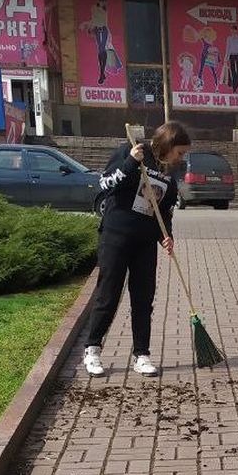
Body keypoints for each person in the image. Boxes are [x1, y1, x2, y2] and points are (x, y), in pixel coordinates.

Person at [83, 121, 191, 377]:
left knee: (143, 299)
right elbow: (106, 185)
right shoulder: (133, 151)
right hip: (116, 237)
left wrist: (167, 236)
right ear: (168, 144)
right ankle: (92, 349)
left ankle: (142, 354)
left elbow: (164, 211)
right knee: (108, 295)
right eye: (180, 152)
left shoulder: (168, 174)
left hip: (144, 244)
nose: (181, 158)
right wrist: (130, 162)